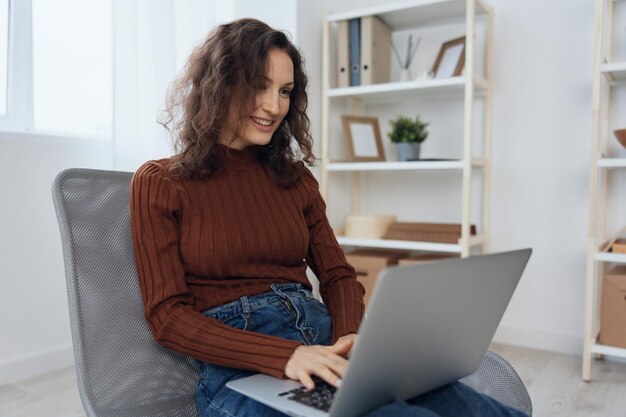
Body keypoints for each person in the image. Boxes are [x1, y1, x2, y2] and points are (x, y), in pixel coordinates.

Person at [130, 18, 528, 417]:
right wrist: (288, 356)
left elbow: (338, 275)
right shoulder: (161, 182)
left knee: (482, 410)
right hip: (243, 371)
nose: (274, 106)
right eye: (258, 86)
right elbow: (167, 317)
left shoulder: (295, 179)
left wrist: (350, 339)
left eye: (285, 91)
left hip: (325, 343)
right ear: (219, 84)